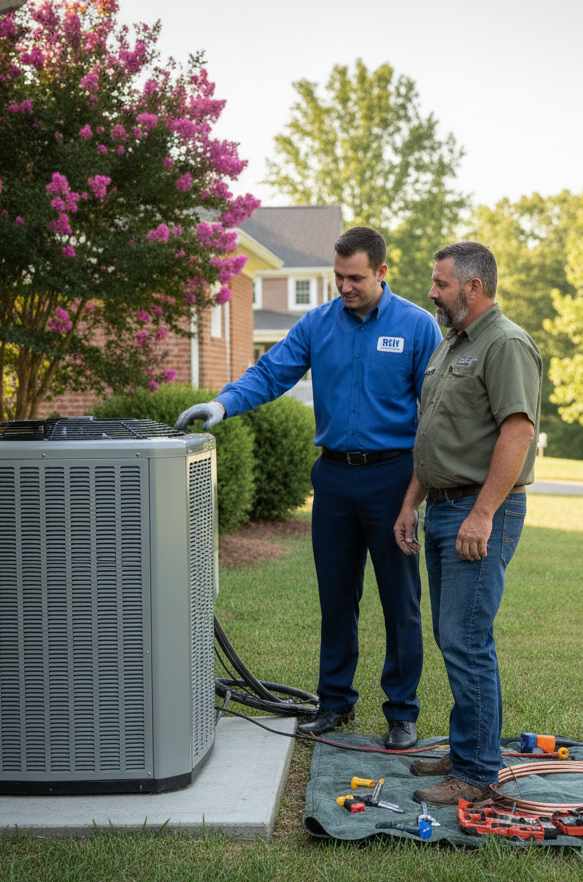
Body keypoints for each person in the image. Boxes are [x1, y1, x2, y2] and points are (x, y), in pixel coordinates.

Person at [176, 227, 442, 750]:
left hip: (393, 478)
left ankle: (401, 712)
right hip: (335, 478)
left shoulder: (417, 326)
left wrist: (417, 494)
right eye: (337, 277)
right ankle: (335, 702)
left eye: (355, 278)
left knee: (400, 600)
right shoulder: (317, 324)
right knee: (336, 597)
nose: (344, 286)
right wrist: (223, 405)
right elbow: (270, 372)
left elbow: (433, 415)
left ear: (382, 273)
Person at [393, 241, 542, 804]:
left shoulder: (505, 344)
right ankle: (466, 750)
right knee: (453, 636)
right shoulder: (451, 343)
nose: (431, 291)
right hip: (442, 506)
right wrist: (411, 502)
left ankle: (478, 776)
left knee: (466, 639)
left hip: (479, 512)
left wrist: (482, 514)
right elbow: (433, 434)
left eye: (441, 283)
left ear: (473, 288)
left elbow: (518, 432)